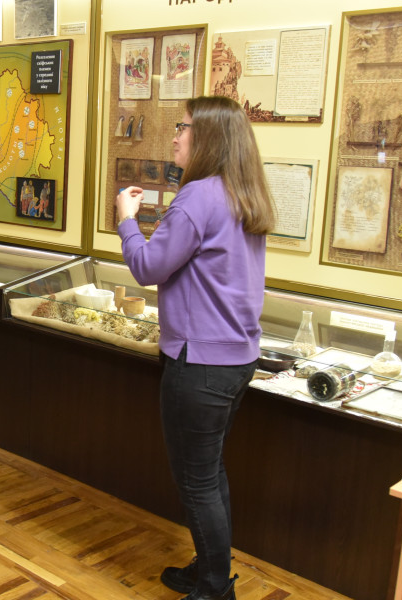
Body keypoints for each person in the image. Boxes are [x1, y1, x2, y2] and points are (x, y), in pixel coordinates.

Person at [115, 96, 274, 600]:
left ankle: (213, 590)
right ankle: (211, 571)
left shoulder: (198, 196)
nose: (175, 136)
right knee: (210, 473)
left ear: (207, 138)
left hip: (199, 363)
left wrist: (126, 218)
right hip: (236, 359)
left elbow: (147, 267)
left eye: (183, 127)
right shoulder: (242, 192)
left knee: (197, 482)